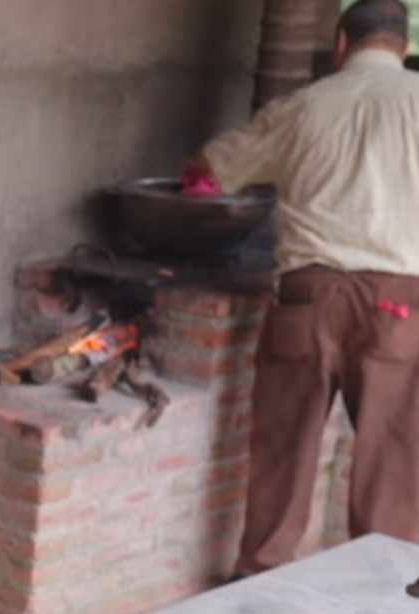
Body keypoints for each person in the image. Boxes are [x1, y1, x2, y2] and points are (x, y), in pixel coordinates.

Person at [185, 0, 419, 579]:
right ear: (405, 46)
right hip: (401, 304)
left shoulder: (302, 107)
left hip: (307, 299)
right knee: (394, 464)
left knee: (282, 455)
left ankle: (258, 585)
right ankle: (385, 601)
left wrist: (200, 181)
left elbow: (207, 168)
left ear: (342, 44)